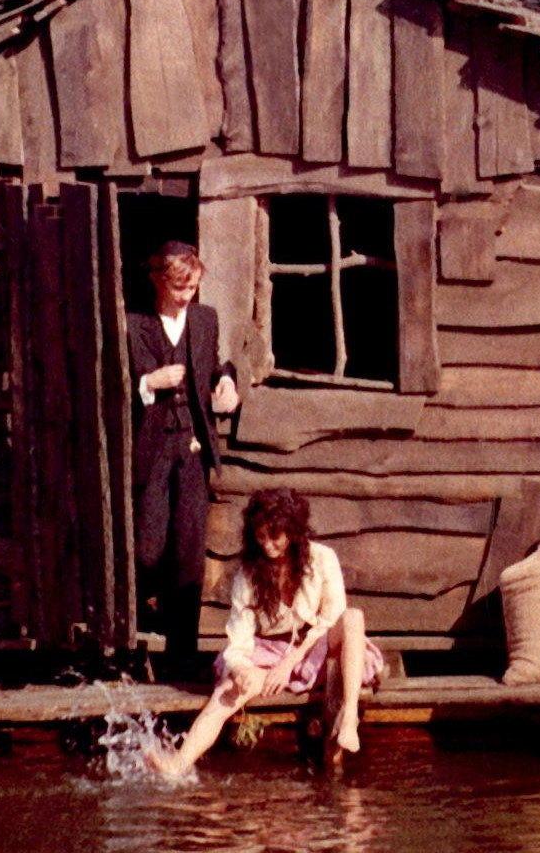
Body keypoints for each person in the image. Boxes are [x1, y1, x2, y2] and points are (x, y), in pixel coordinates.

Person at [150, 490, 378, 775]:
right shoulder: (249, 573)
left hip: (316, 648)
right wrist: (240, 669)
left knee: (353, 617)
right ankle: (178, 763)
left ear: (293, 532)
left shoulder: (322, 558)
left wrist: (291, 661)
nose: (268, 545)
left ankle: (348, 720)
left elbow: (330, 619)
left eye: (275, 536)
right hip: (268, 655)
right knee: (228, 690)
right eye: (261, 537)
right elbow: (239, 636)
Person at [127, 241, 239, 665]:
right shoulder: (133, 324)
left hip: (192, 446)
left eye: (192, 288)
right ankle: (142, 621)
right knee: (148, 549)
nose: (186, 297)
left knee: (189, 551)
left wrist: (226, 382)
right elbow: (111, 384)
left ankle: (183, 654)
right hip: (153, 448)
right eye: (179, 288)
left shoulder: (205, 319)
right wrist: (148, 383)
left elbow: (215, 366)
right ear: (157, 279)